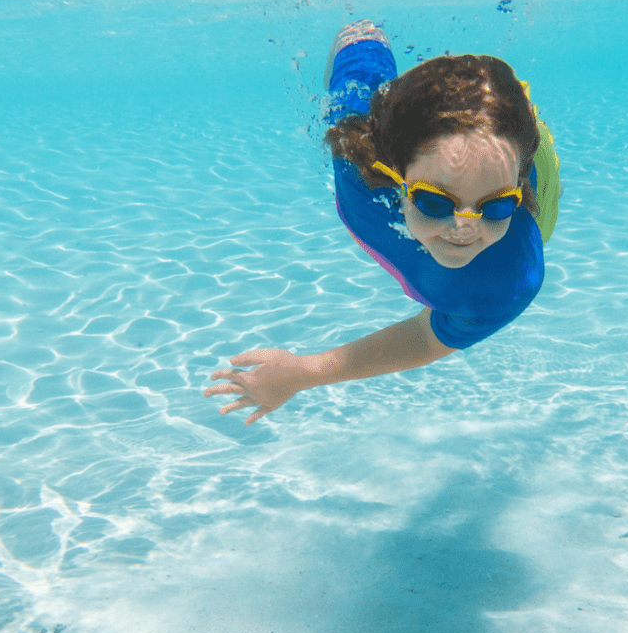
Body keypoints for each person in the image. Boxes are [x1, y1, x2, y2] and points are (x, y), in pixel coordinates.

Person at [204, 21, 561, 424]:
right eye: (434, 201)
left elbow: (429, 336)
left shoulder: (510, 274)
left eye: (493, 206)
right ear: (394, 174)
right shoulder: (356, 162)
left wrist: (305, 373)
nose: (464, 228)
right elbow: (360, 40)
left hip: (532, 178)